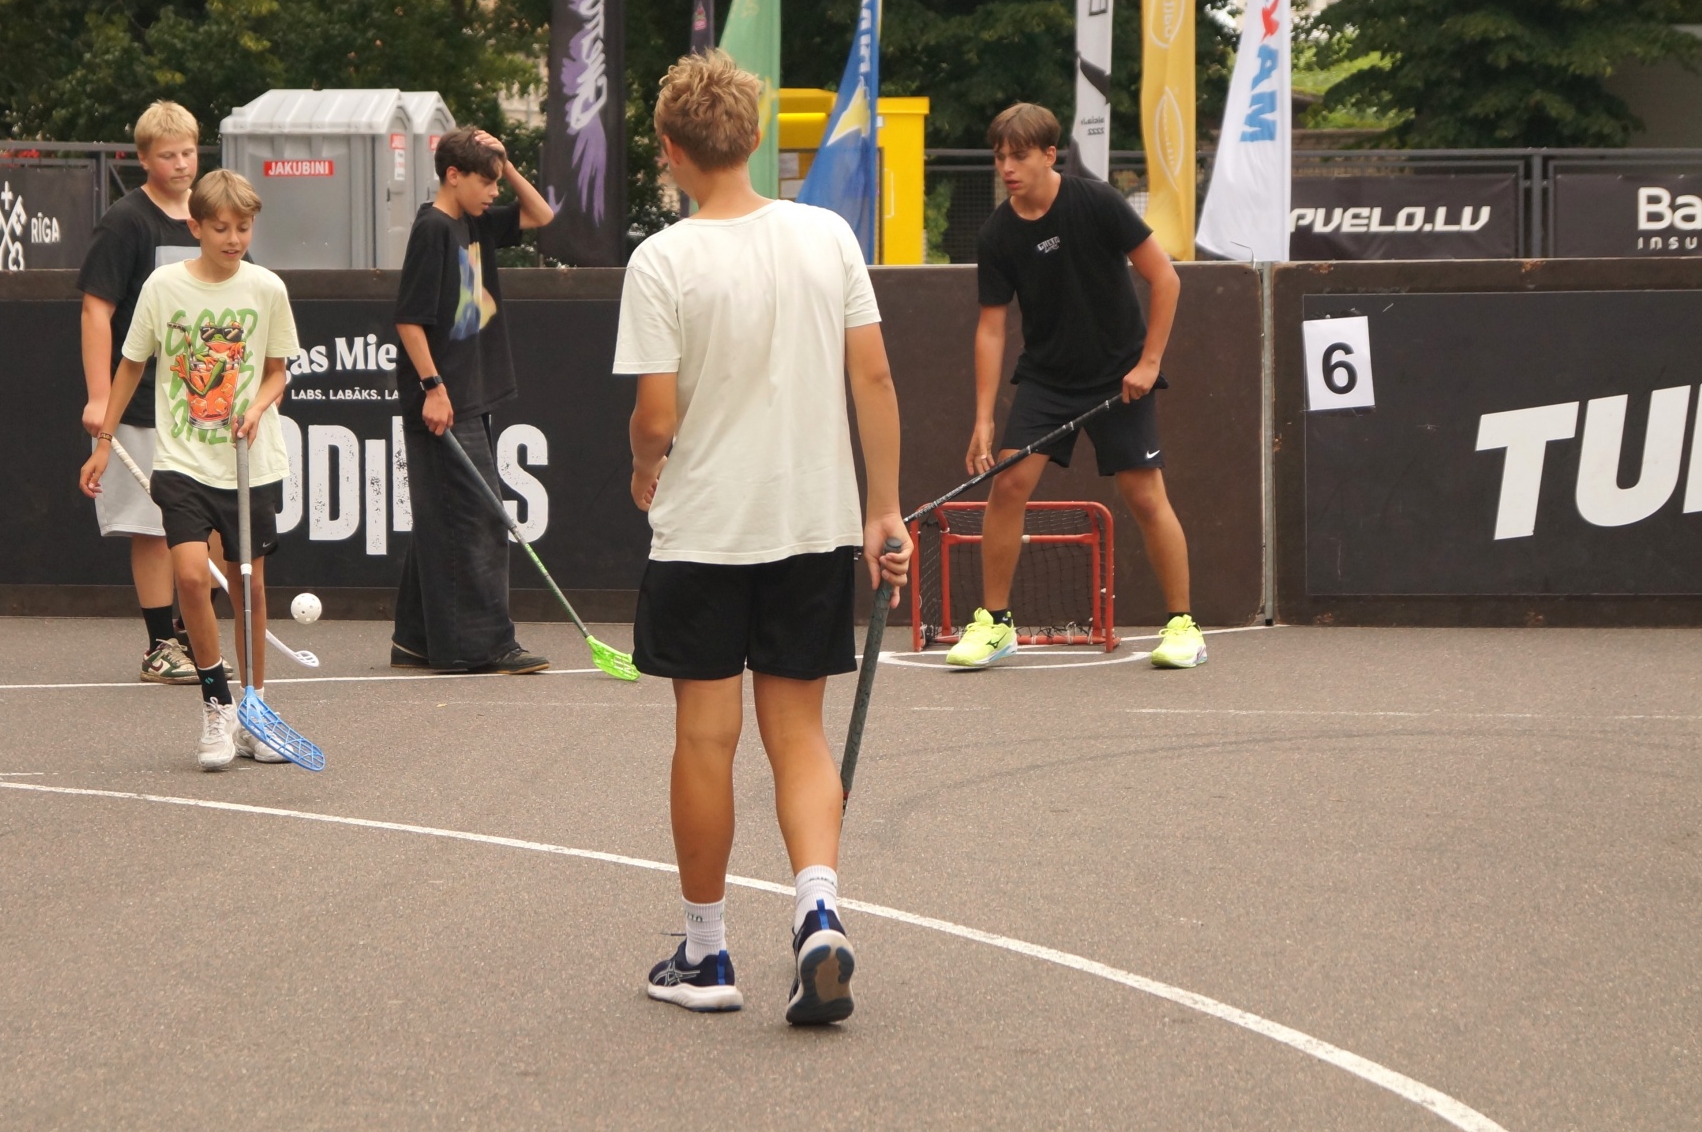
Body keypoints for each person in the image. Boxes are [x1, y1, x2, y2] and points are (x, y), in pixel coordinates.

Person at [615, 50, 910, 1024]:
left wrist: (642, 465)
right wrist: (882, 507)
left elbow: (656, 414)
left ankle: (706, 954)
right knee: (799, 732)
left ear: (671, 149)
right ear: (752, 137)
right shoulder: (827, 236)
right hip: (812, 523)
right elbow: (874, 379)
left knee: (705, 737)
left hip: (704, 528)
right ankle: (817, 909)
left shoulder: (662, 260)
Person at [948, 102, 1207, 671]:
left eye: (1019, 156)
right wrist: (984, 418)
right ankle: (996, 625)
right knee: (1009, 484)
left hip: (1120, 376)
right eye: (1000, 157)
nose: (1007, 168)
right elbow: (991, 328)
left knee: (1145, 496)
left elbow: (1165, 278)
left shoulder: (1098, 202)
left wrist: (1149, 363)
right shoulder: (997, 234)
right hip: (1047, 380)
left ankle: (1183, 627)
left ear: (1049, 155)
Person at [80, 169, 300, 770]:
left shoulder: (267, 289)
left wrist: (257, 406)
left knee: (250, 587)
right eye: (222, 228)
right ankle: (216, 705)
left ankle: (255, 713)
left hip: (250, 464)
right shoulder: (163, 286)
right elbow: (131, 364)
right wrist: (104, 441)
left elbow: (277, 371)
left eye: (244, 228)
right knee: (191, 577)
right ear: (195, 226)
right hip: (180, 460)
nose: (234, 239)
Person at [389, 127, 554, 674]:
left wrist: (505, 163)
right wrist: (433, 389)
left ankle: (416, 639)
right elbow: (409, 320)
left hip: (471, 395)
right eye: (486, 181)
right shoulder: (433, 229)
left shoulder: (474, 221)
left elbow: (541, 215)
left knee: (445, 516)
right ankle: (483, 644)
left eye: (496, 182)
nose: (494, 192)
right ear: (453, 175)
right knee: (477, 518)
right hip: (443, 400)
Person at [77, 100, 206, 684]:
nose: (181, 164)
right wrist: (100, 397)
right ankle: (160, 647)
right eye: (168, 155)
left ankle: (194, 635)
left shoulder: (209, 216)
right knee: (153, 527)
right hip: (143, 401)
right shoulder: (126, 222)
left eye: (189, 153)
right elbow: (96, 311)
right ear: (143, 159)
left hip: (202, 404)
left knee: (209, 525)